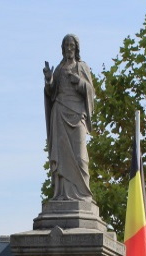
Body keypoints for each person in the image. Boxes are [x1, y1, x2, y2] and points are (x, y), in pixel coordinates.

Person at [43, 33, 95, 202]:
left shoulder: (82, 67)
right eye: (66, 45)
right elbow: (51, 93)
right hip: (59, 113)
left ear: (76, 48)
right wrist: (49, 80)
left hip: (77, 113)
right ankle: (62, 194)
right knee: (62, 156)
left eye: (72, 45)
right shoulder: (59, 69)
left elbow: (90, 91)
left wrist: (79, 82)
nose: (69, 48)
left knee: (80, 158)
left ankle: (82, 196)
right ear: (63, 48)